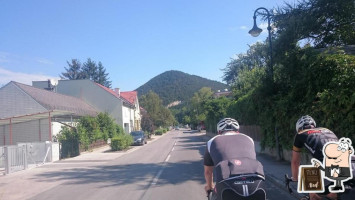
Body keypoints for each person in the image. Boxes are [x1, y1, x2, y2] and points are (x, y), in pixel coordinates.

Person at [203, 118, 265, 200]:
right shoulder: (249, 139)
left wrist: (210, 187)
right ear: (238, 131)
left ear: (219, 132)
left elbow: (208, 172)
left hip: (228, 186)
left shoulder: (212, 142)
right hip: (256, 183)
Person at [291, 115, 338, 200]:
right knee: (333, 194)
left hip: (327, 164)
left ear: (299, 128)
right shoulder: (327, 130)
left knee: (312, 186)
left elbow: (295, 162)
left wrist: (295, 178)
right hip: (349, 161)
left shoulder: (300, 134)